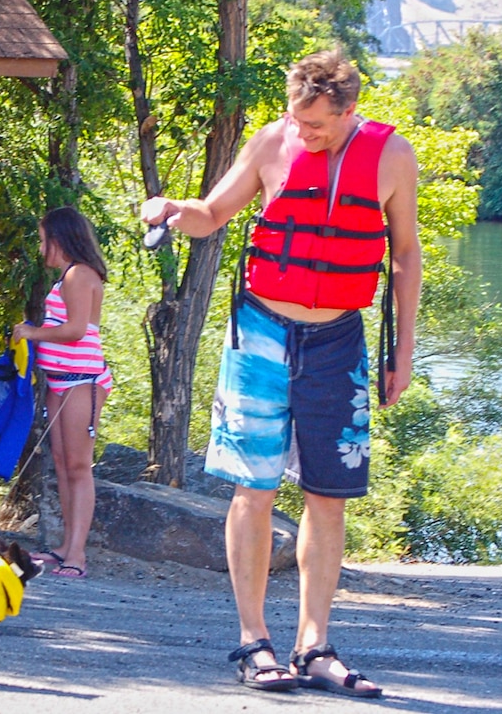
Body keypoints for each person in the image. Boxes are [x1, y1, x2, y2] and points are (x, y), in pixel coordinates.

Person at [141, 49, 421, 697]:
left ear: (349, 111)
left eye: (317, 125)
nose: (304, 132)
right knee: (254, 488)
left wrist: (401, 352)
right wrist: (168, 208)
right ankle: (254, 641)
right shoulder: (273, 140)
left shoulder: (391, 157)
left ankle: (315, 645)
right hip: (262, 332)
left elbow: (405, 256)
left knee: (328, 497)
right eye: (298, 119)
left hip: (340, 341)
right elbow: (211, 214)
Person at [13, 207, 112, 580]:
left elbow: (74, 330)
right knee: (61, 461)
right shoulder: (66, 278)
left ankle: (77, 554)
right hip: (58, 380)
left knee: (77, 466)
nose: (41, 250)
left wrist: (32, 333)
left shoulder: (78, 275)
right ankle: (65, 545)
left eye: (43, 241)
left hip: (80, 380)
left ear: (59, 239)